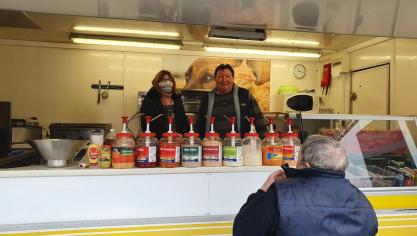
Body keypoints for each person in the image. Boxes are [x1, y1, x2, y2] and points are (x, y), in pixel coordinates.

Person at [233, 135, 378, 236]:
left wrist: (264, 189)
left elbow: (243, 230)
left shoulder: (279, 195)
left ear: (306, 165)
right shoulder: (362, 201)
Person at [196, 64, 266, 138]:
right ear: (215, 79)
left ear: (233, 78)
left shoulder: (244, 95)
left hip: (240, 145)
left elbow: (259, 120)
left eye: (227, 76)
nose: (224, 80)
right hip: (213, 146)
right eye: (220, 76)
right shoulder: (206, 98)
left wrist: (264, 141)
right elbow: (199, 125)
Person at [140, 70, 187, 139]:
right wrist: (163, 136)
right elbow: (145, 126)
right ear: (158, 82)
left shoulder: (177, 100)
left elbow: (184, 123)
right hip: (158, 142)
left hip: (177, 141)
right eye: (164, 80)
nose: (168, 82)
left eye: (170, 80)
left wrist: (182, 135)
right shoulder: (150, 101)